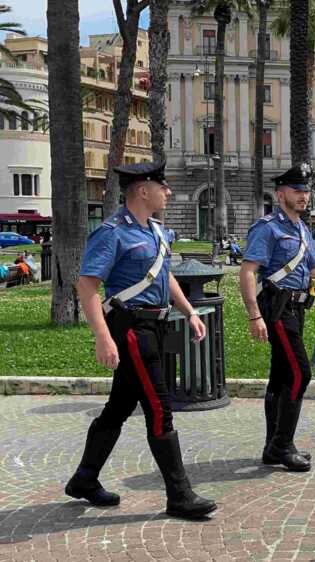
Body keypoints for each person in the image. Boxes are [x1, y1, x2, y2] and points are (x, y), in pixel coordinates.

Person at [65, 161, 217, 520]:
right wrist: (103, 337)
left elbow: (165, 276)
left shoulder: (158, 232)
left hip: (156, 327)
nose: (167, 192)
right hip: (132, 329)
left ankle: (84, 479)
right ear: (143, 190)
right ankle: (179, 495)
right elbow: (86, 286)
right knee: (159, 407)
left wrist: (190, 311)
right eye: (162, 187)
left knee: (119, 407)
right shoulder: (112, 232)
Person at [240, 163, 315, 472]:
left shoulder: (304, 230)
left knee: (281, 378)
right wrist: (255, 316)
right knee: (299, 373)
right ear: (281, 195)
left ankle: (272, 447)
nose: (304, 196)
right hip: (277, 309)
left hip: (296, 309)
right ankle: (282, 445)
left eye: (306, 191)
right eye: (297, 191)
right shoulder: (267, 228)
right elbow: (248, 272)